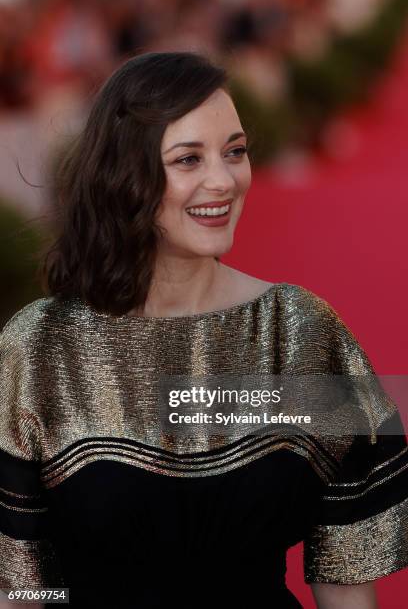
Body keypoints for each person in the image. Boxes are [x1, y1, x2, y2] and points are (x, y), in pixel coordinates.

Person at [0, 51, 407, 609]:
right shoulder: (39, 348)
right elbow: (21, 589)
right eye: (188, 159)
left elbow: (345, 582)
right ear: (125, 173)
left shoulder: (300, 333)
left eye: (235, 152)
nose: (224, 180)